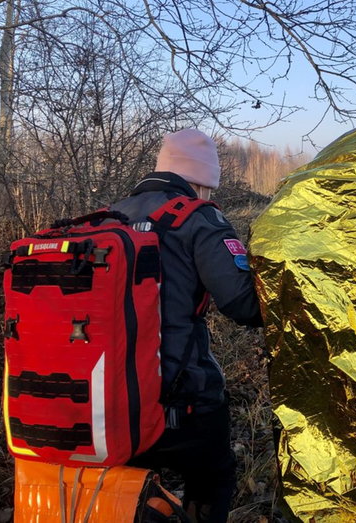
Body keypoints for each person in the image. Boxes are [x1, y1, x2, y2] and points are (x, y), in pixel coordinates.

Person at [112, 128, 263, 523]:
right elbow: (243, 304)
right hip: (181, 396)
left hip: (114, 394)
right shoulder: (199, 217)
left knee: (128, 492)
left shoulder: (112, 215)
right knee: (214, 475)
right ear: (200, 180)